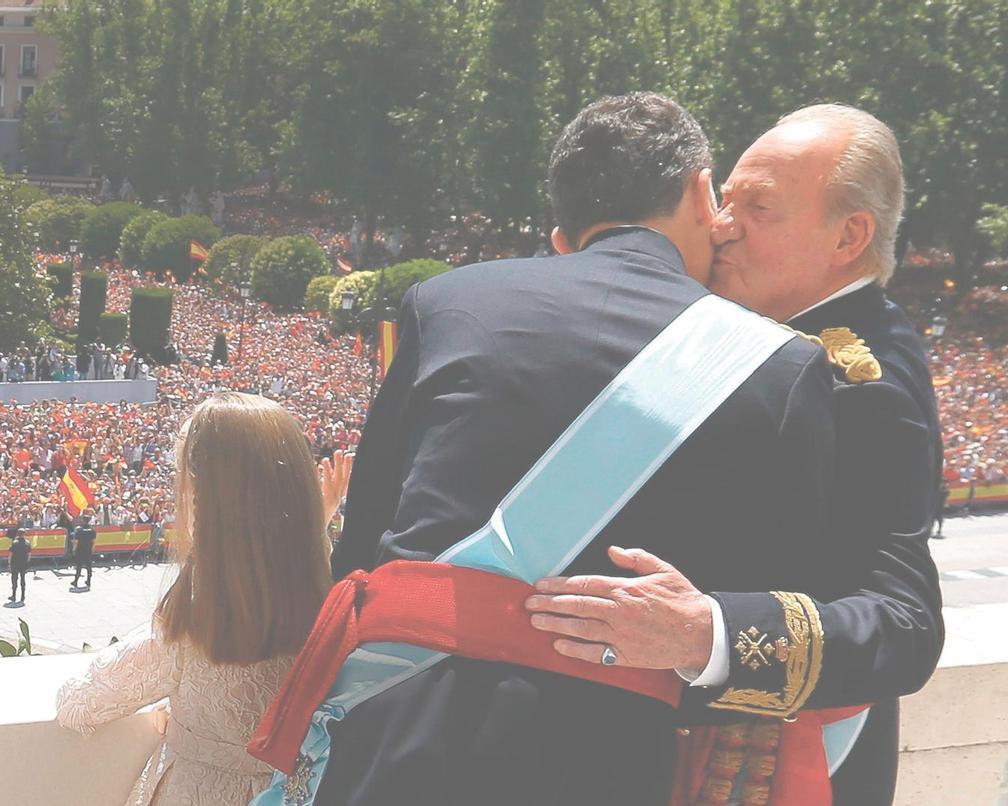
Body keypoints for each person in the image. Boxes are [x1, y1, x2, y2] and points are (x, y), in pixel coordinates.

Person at [314, 93, 840, 806]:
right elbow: (779, 605)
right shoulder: (780, 366)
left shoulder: (445, 302)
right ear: (697, 189)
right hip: (604, 755)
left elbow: (364, 546)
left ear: (564, 227)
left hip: (397, 723)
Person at [525, 104, 944, 806]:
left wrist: (707, 634)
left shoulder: (861, 385)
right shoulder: (760, 333)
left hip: (783, 766)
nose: (723, 223)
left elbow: (904, 628)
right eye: (725, 199)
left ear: (849, 235)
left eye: (760, 208)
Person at [56, 393, 352, 804]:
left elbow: (78, 705)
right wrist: (311, 528)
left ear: (204, 502)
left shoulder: (195, 620)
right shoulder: (337, 595)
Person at [70, 510, 96, 590]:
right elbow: (94, 541)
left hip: (80, 550)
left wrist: (74, 550)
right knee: (89, 566)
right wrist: (92, 549)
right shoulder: (92, 530)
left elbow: (76, 542)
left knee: (79, 566)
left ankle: (76, 581)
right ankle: (88, 581)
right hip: (88, 550)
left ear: (82, 520)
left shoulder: (79, 530)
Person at [8, 527, 31, 604]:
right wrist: (27, 562)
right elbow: (29, 555)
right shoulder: (27, 543)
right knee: (23, 579)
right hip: (23, 563)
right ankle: (22, 596)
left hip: (15, 563)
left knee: (14, 579)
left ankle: (14, 595)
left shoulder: (14, 543)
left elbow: (10, 554)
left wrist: (9, 563)